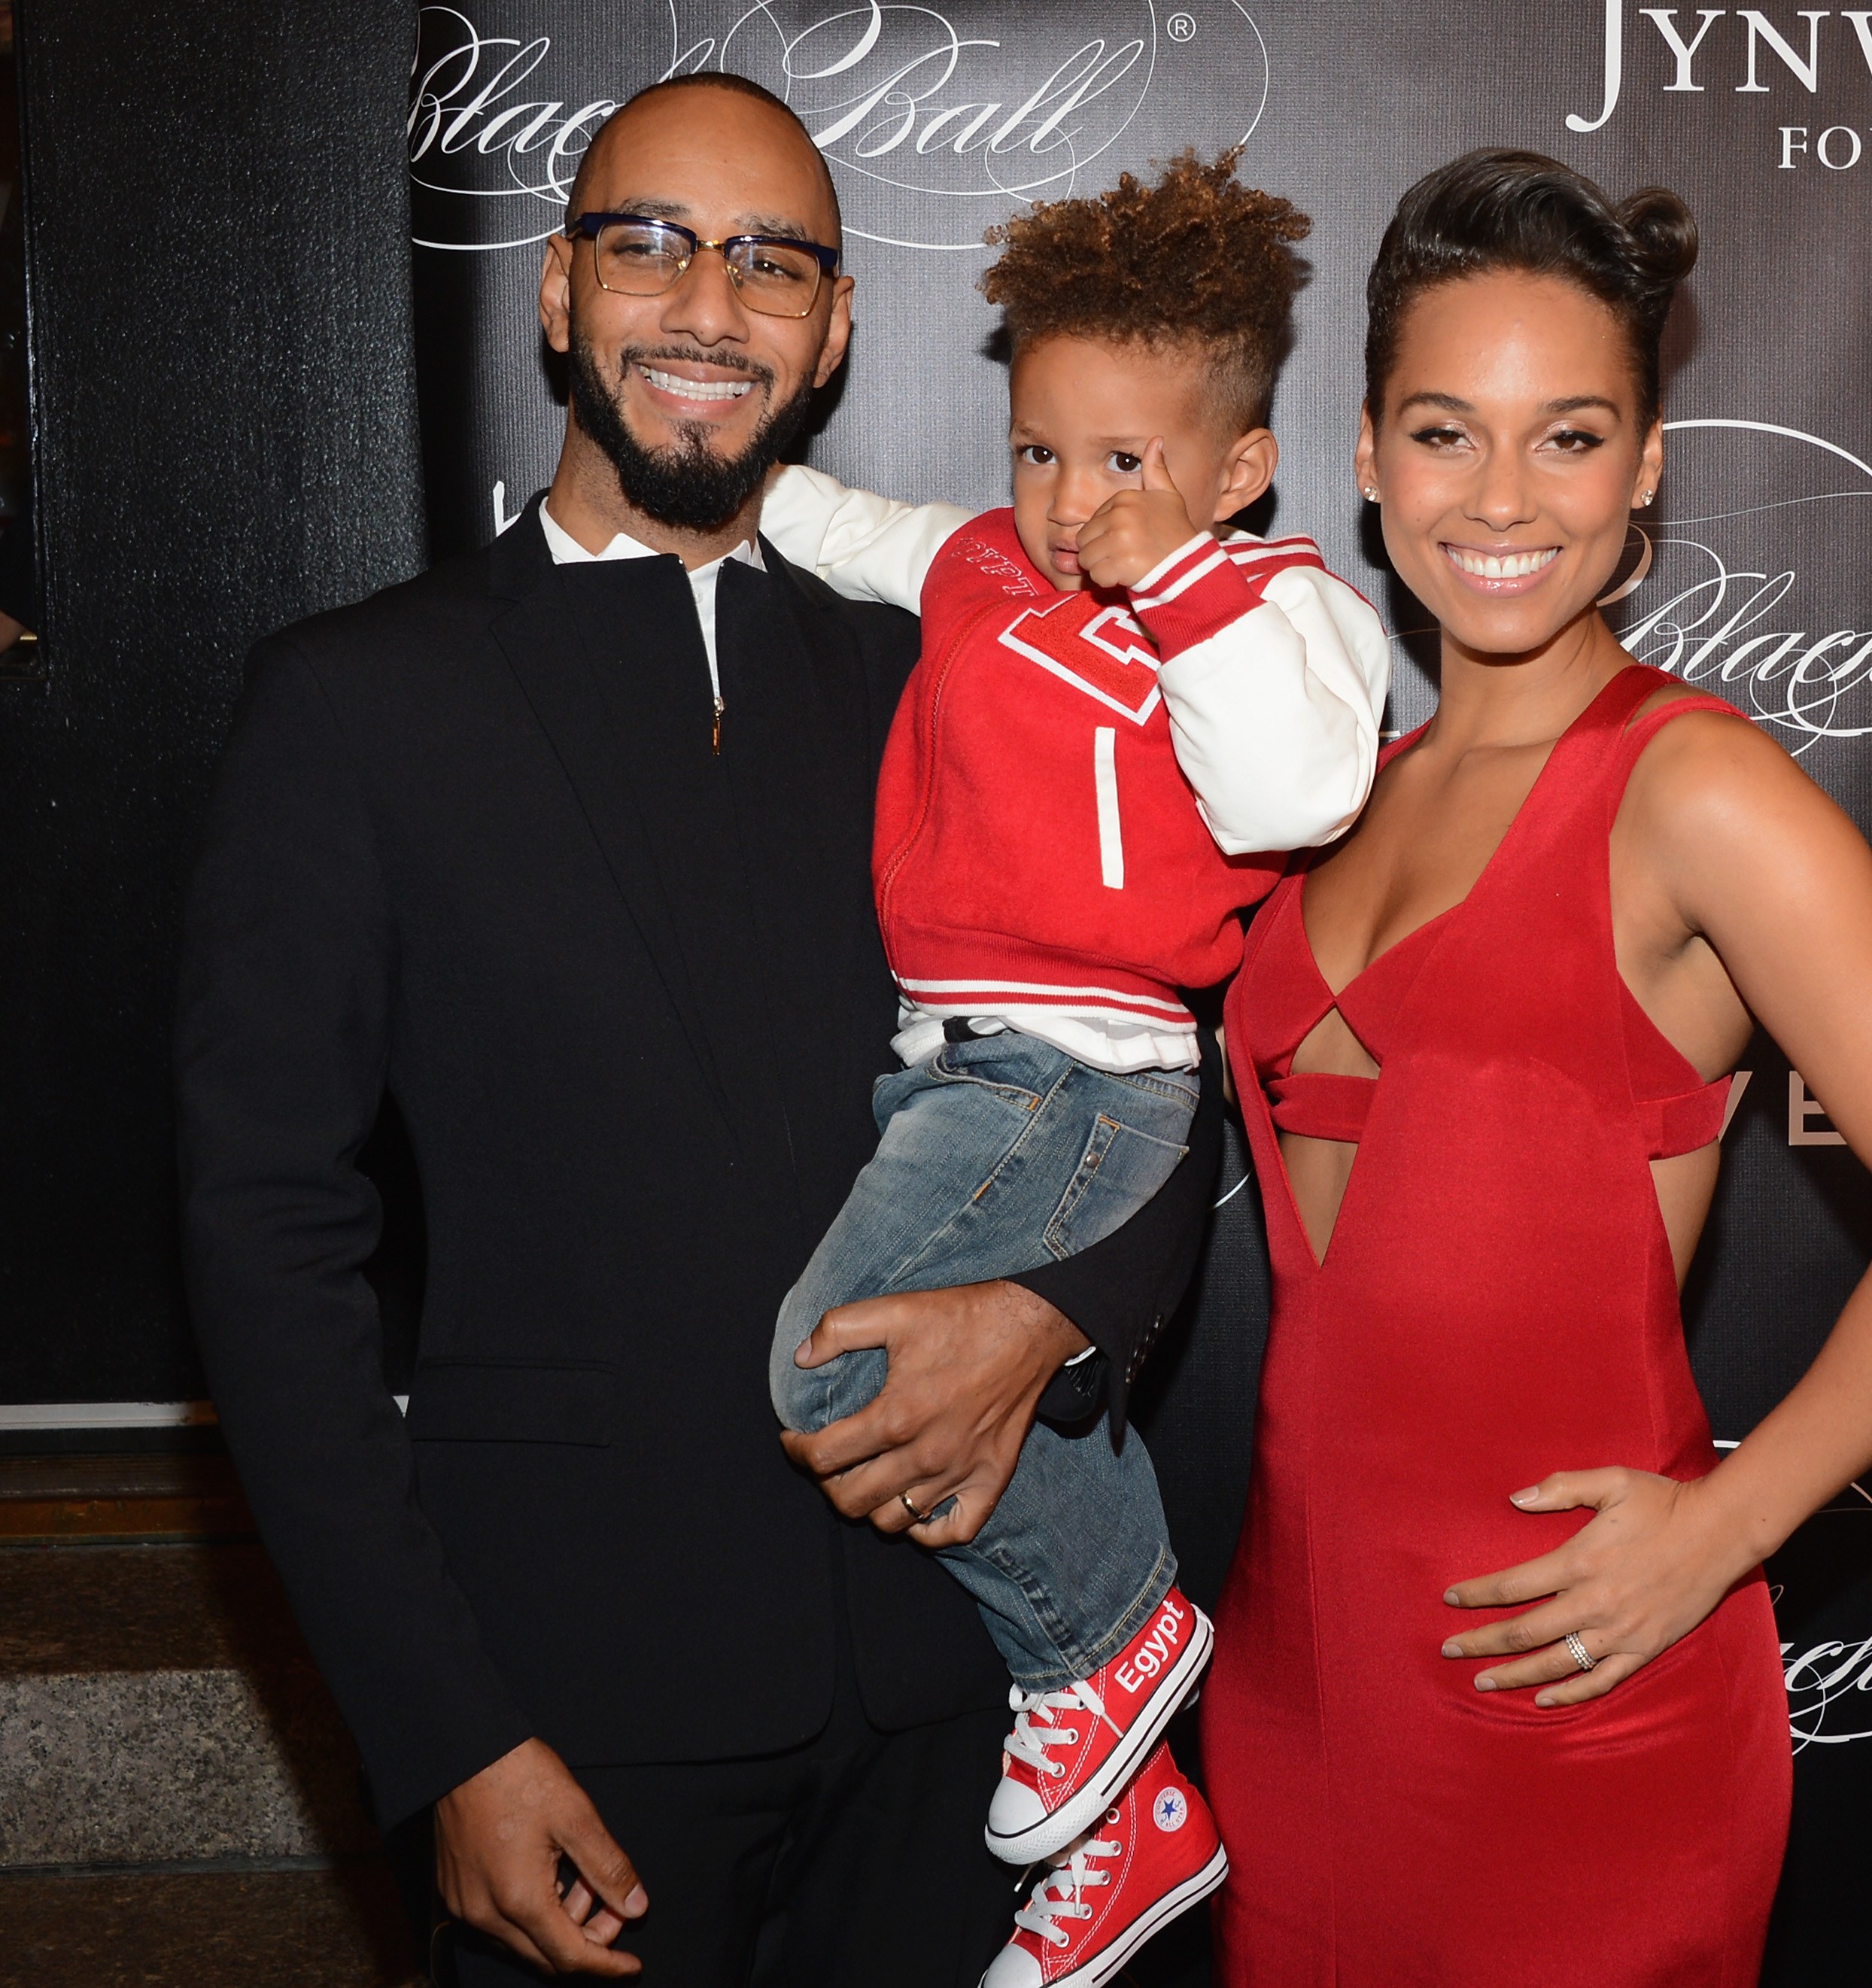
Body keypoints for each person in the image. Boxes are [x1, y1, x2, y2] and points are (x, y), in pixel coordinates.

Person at [176, 74, 1226, 1986]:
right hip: (576, 1718)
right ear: (561, 294)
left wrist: (1063, 1311)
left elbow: (1148, 1050)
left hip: (960, 1686)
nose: (707, 304)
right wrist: (446, 1736)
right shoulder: (353, 707)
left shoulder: (946, 670)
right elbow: (264, 1242)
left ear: (831, 334)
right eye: (648, 241)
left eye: (770, 262)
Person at [1200, 150, 1872, 1985]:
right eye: (1446, 431)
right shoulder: (1327, 788)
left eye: (1571, 436)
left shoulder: (1690, 788)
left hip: (1577, 1704)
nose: (1502, 497)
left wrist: (1728, 1530)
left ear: (1651, 462)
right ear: (1364, 453)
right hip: (1294, 1683)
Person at [757, 152, 1390, 1986]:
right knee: (911, 1428)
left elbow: (1289, 795)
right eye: (1043, 451)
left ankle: (1114, 1639)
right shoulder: (976, 562)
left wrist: (1177, 581)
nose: (1073, 503)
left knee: (825, 1361)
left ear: (1241, 469)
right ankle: (1134, 1823)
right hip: (951, 1070)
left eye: (1128, 462)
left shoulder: (1277, 606)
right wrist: (729, 488)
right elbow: (849, 528)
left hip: (1088, 1078)